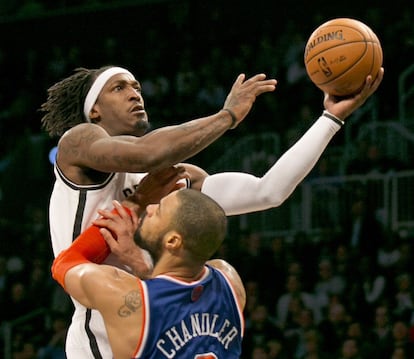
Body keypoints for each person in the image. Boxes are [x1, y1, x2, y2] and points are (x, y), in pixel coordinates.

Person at [41, 64, 384, 358]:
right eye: (119, 87)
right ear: (95, 111)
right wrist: (228, 116)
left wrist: (330, 119)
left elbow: (268, 191)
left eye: (137, 86)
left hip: (165, 331)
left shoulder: (169, 179)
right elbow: (147, 153)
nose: (135, 94)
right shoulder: (79, 141)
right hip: (100, 340)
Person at [52, 189, 246, 358]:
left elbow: (63, 263)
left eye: (159, 211)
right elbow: (179, 296)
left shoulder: (124, 296)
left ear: (172, 241)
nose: (150, 208)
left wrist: (133, 205)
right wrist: (139, 264)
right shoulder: (230, 281)